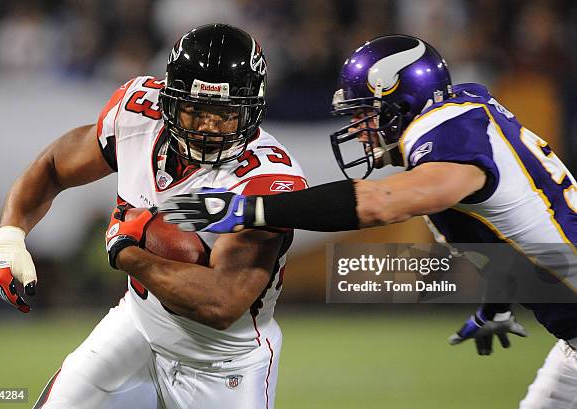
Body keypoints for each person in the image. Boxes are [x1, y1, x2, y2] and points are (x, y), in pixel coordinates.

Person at [164, 35, 577, 408]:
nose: (359, 131)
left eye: (366, 115)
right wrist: (499, 303)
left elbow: (381, 203)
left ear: (402, 105)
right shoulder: (462, 115)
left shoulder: (445, 133)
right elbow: (516, 226)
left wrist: (248, 210)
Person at [0, 24, 307, 409]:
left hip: (222, 362)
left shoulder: (269, 179)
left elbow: (221, 303)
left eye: (224, 114)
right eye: (194, 110)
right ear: (169, 100)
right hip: (138, 324)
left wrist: (129, 252)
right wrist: (9, 236)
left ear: (250, 110)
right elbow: (55, 166)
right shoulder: (137, 113)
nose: (207, 127)